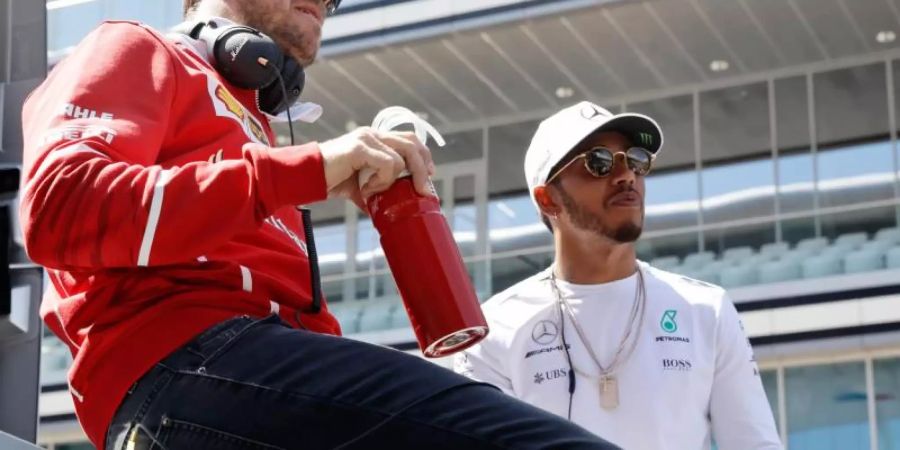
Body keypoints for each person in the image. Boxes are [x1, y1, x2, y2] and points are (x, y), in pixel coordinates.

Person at [20, 1, 621, 449]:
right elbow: (57, 207)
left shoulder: (254, 128)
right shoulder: (133, 47)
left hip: (234, 382)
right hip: (182, 372)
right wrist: (304, 169)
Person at [454, 101, 783, 450]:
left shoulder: (705, 309)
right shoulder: (494, 328)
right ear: (548, 199)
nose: (626, 176)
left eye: (636, 160)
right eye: (598, 163)